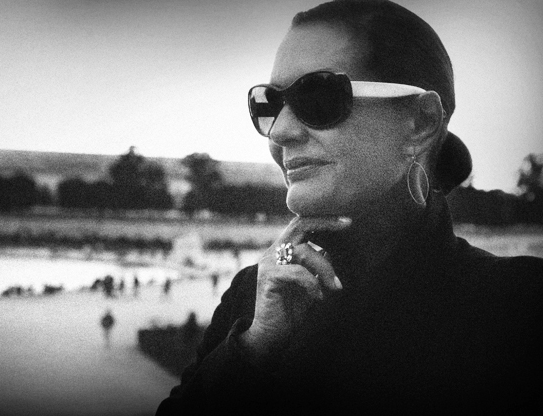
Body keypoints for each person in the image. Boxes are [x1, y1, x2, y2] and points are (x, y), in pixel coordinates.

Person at [157, 1, 543, 415]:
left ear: (421, 122)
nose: (279, 132)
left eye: (318, 96)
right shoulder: (250, 300)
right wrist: (249, 354)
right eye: (269, 103)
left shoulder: (520, 309)